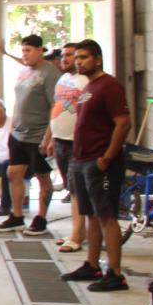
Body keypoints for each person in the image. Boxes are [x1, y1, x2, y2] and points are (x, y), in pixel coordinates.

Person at [60, 39, 132, 291]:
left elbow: (123, 122)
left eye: (84, 57)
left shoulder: (109, 86)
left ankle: (115, 273)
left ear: (97, 59)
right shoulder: (90, 87)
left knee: (106, 216)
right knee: (90, 214)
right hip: (81, 159)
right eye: (76, 57)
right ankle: (92, 265)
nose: (78, 62)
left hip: (99, 161)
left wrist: (108, 156)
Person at [0, 35, 60, 235]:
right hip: (18, 133)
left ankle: (41, 218)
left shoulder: (50, 73)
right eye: (23, 51)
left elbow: (55, 105)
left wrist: (49, 136)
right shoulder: (25, 71)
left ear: (40, 50)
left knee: (43, 178)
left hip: (39, 134)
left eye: (29, 51)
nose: (24, 55)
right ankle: (17, 216)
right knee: (13, 173)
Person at [44, 41, 88, 252]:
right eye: (64, 55)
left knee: (78, 190)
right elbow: (57, 108)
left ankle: (77, 236)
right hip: (60, 140)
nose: (66, 59)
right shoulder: (63, 79)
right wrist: (50, 138)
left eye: (71, 55)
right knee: (72, 189)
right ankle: (78, 232)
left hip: (77, 142)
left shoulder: (86, 81)